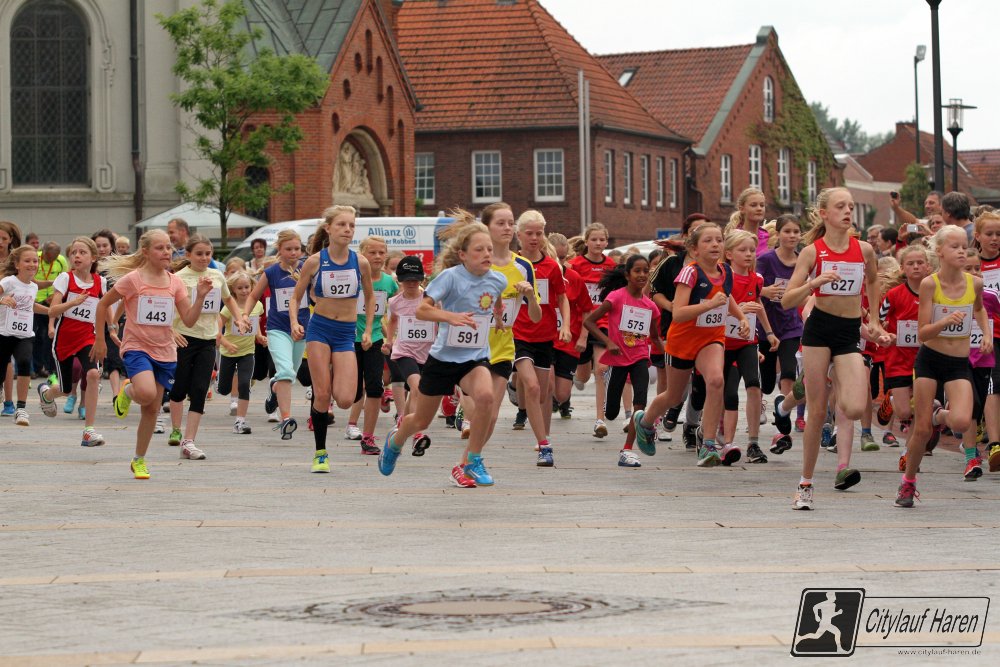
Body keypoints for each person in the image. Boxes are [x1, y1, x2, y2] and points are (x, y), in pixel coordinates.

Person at [376, 219, 507, 487]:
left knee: (486, 397)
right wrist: (450, 317)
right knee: (420, 420)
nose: (486, 254)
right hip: (443, 359)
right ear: (463, 254)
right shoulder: (450, 277)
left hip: (474, 357)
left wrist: (498, 315)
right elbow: (422, 310)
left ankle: (473, 460)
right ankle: (395, 442)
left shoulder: (498, 279)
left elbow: (496, 300)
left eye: (489, 250)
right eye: (479, 250)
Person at [780, 187, 889, 510]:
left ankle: (833, 377)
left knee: (853, 408)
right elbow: (787, 299)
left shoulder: (864, 249)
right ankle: (805, 484)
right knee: (816, 412)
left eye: (851, 206)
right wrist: (813, 284)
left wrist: (875, 321)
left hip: (848, 332)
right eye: (841, 206)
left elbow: (873, 281)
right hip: (819, 331)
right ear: (824, 213)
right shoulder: (812, 252)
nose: (848, 211)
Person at [91, 230, 212, 479]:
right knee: (146, 393)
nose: (166, 252)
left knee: (151, 410)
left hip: (165, 351)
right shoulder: (133, 279)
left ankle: (139, 459)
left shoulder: (175, 282)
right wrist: (100, 339)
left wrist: (200, 297)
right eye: (160, 248)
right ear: (145, 252)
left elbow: (189, 320)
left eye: (168, 247)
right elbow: (103, 304)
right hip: (136, 347)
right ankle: (128, 390)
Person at [633, 223, 750, 467]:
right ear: (694, 250)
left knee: (716, 381)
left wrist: (741, 318)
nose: (715, 244)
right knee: (674, 396)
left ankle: (708, 444)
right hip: (683, 341)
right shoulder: (690, 273)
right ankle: (645, 422)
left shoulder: (726, 271)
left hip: (711, 338)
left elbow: (726, 297)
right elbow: (678, 313)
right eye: (708, 240)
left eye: (719, 240)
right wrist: (708, 305)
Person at [896, 225, 992, 506]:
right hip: (930, 360)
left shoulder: (974, 283)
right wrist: (944, 322)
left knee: (962, 421)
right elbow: (923, 332)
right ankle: (908, 483)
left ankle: (939, 415)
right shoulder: (930, 284)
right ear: (939, 251)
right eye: (955, 246)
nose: (962, 251)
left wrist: (986, 334)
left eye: (964, 246)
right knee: (922, 430)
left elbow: (980, 309)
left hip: (958, 363)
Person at [291, 205, 375, 473]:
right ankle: (320, 453)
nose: (347, 230)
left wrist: (367, 329)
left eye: (351, 225)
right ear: (328, 228)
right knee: (323, 394)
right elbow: (295, 297)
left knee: (345, 399)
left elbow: (370, 297)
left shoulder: (360, 262)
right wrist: (294, 322)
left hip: (346, 333)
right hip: (320, 329)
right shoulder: (315, 261)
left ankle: (327, 378)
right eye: (341, 224)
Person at [166, 235, 248, 459]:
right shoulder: (178, 278)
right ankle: (175, 428)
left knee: (200, 389)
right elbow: (166, 305)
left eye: (208, 254)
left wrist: (239, 318)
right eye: (199, 253)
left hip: (208, 339)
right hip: (184, 337)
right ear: (188, 255)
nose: (204, 258)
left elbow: (229, 299)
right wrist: (171, 330)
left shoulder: (216, 275)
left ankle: (189, 441)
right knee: (179, 387)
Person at [584, 254, 661, 467]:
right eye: (637, 271)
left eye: (646, 271)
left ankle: (627, 449)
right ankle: (612, 402)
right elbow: (589, 322)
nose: (642, 275)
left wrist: (669, 356)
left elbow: (655, 337)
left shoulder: (650, 306)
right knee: (611, 413)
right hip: (618, 360)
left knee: (640, 405)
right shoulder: (616, 297)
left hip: (640, 358)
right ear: (627, 275)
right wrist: (608, 342)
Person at [511, 210, 569, 465]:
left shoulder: (552, 266)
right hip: (517, 334)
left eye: (539, 233)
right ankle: (544, 444)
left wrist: (565, 324)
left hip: (545, 335)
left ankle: (544, 437)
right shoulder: (512, 265)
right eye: (529, 233)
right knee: (533, 386)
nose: (534, 238)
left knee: (544, 394)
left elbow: (562, 297)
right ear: (519, 235)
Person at [37, 237, 106, 446]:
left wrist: (111, 330)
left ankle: (89, 431)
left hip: (88, 337)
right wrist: (73, 302)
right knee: (66, 389)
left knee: (93, 374)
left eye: (82, 252)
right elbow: (52, 310)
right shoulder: (65, 279)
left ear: (93, 257)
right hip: (64, 340)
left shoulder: (99, 282)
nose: (77, 256)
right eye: (73, 252)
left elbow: (104, 308)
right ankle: (47, 393)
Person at [649, 214, 711, 448]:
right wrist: (671, 306)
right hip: (675, 328)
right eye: (695, 231)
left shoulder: (718, 265)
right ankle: (671, 408)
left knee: (704, 382)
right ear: (686, 236)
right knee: (679, 382)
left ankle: (692, 426)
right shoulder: (672, 263)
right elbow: (654, 291)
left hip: (707, 331)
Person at [721, 230, 778, 464]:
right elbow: (715, 308)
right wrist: (739, 311)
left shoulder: (757, 279)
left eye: (752, 250)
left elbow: (758, 303)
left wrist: (769, 332)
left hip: (747, 342)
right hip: (723, 343)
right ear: (729, 254)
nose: (749, 254)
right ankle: (726, 443)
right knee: (729, 393)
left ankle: (753, 443)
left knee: (754, 385)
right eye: (742, 250)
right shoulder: (722, 278)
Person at [249, 230, 309, 439]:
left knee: (289, 375)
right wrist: (244, 316)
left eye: (297, 249)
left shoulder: (307, 268)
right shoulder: (272, 272)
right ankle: (286, 420)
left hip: (301, 330)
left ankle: (274, 386)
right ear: (279, 250)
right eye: (288, 249)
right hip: (277, 328)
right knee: (285, 371)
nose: (293, 253)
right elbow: (254, 296)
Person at [344, 235, 398, 454]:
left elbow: (399, 307)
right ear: (362, 255)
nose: (377, 256)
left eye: (381, 252)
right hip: (349, 339)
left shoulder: (389, 282)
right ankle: (351, 422)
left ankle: (367, 437)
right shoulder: (352, 278)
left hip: (374, 339)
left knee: (374, 387)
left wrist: (391, 336)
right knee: (354, 389)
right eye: (372, 252)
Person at [877, 246, 931, 451]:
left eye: (920, 263)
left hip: (924, 359)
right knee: (904, 412)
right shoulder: (893, 295)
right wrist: (885, 334)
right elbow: (877, 321)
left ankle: (910, 453)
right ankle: (891, 400)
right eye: (911, 263)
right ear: (902, 268)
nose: (916, 267)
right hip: (898, 359)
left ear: (928, 266)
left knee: (920, 410)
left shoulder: (935, 293)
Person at [758, 215, 804, 455]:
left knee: (788, 370)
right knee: (766, 384)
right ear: (778, 234)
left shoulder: (803, 260)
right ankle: (771, 399)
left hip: (791, 325)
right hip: (765, 325)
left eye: (796, 231)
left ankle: (783, 416)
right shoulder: (766, 260)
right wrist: (765, 290)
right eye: (787, 231)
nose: (792, 235)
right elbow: (751, 286)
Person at [569, 223, 616, 438]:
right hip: (580, 322)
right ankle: (576, 377)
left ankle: (599, 420)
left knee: (602, 369)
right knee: (582, 376)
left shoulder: (611, 266)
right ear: (586, 241)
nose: (598, 243)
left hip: (602, 322)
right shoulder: (575, 265)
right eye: (594, 239)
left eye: (602, 239)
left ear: (606, 242)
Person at [383, 255, 434, 454]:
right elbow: (393, 321)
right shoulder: (395, 302)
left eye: (415, 279)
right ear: (400, 281)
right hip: (404, 352)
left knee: (417, 391)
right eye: (407, 280)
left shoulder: (430, 299)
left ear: (422, 279)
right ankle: (418, 433)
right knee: (416, 386)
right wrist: (389, 341)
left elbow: (440, 321)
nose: (411, 283)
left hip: (427, 352)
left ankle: (404, 421)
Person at [0, 246, 48, 426]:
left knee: (25, 362)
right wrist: (2, 300)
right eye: (27, 261)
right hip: (3, 333)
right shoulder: (9, 281)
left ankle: (21, 409)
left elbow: (31, 306)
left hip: (24, 334)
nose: (32, 264)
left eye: (35, 261)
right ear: (17, 264)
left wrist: (52, 311)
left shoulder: (33, 286)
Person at [548, 233, 593, 420]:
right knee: (546, 384)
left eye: (562, 257)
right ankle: (528, 409)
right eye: (554, 258)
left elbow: (587, 310)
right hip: (545, 339)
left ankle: (559, 401)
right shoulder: (539, 275)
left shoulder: (574, 278)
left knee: (562, 394)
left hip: (568, 340)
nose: (559, 262)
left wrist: (583, 337)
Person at [218, 271, 262, 435]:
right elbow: (217, 330)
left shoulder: (257, 305)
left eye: (246, 287)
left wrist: (259, 336)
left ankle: (240, 421)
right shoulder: (228, 308)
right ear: (233, 290)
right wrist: (226, 343)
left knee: (244, 384)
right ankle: (219, 380)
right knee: (224, 389)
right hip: (229, 352)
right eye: (240, 288)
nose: (244, 291)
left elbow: (255, 324)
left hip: (247, 352)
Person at [972, 212, 1000, 471]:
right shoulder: (971, 263)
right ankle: (994, 444)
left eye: (998, 234)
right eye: (989, 234)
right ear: (977, 236)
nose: (994, 239)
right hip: (984, 335)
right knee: (993, 385)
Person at [32, 241, 67, 379]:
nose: (53, 259)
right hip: (36, 301)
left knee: (51, 336)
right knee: (36, 336)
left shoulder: (61, 261)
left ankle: (49, 367)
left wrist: (55, 296)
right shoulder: (35, 258)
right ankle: (36, 367)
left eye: (55, 257)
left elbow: (65, 280)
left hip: (53, 301)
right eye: (50, 257)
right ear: (44, 253)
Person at [0, 221, 23, 417]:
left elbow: (29, 283)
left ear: (11, 240)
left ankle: (8, 402)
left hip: (9, 315)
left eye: (3, 238)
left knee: (7, 360)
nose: (0, 242)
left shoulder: (16, 261)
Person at [724, 187, 770, 255]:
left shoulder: (768, 236)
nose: (759, 208)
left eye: (762, 205)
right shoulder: (734, 236)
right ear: (742, 209)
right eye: (753, 205)